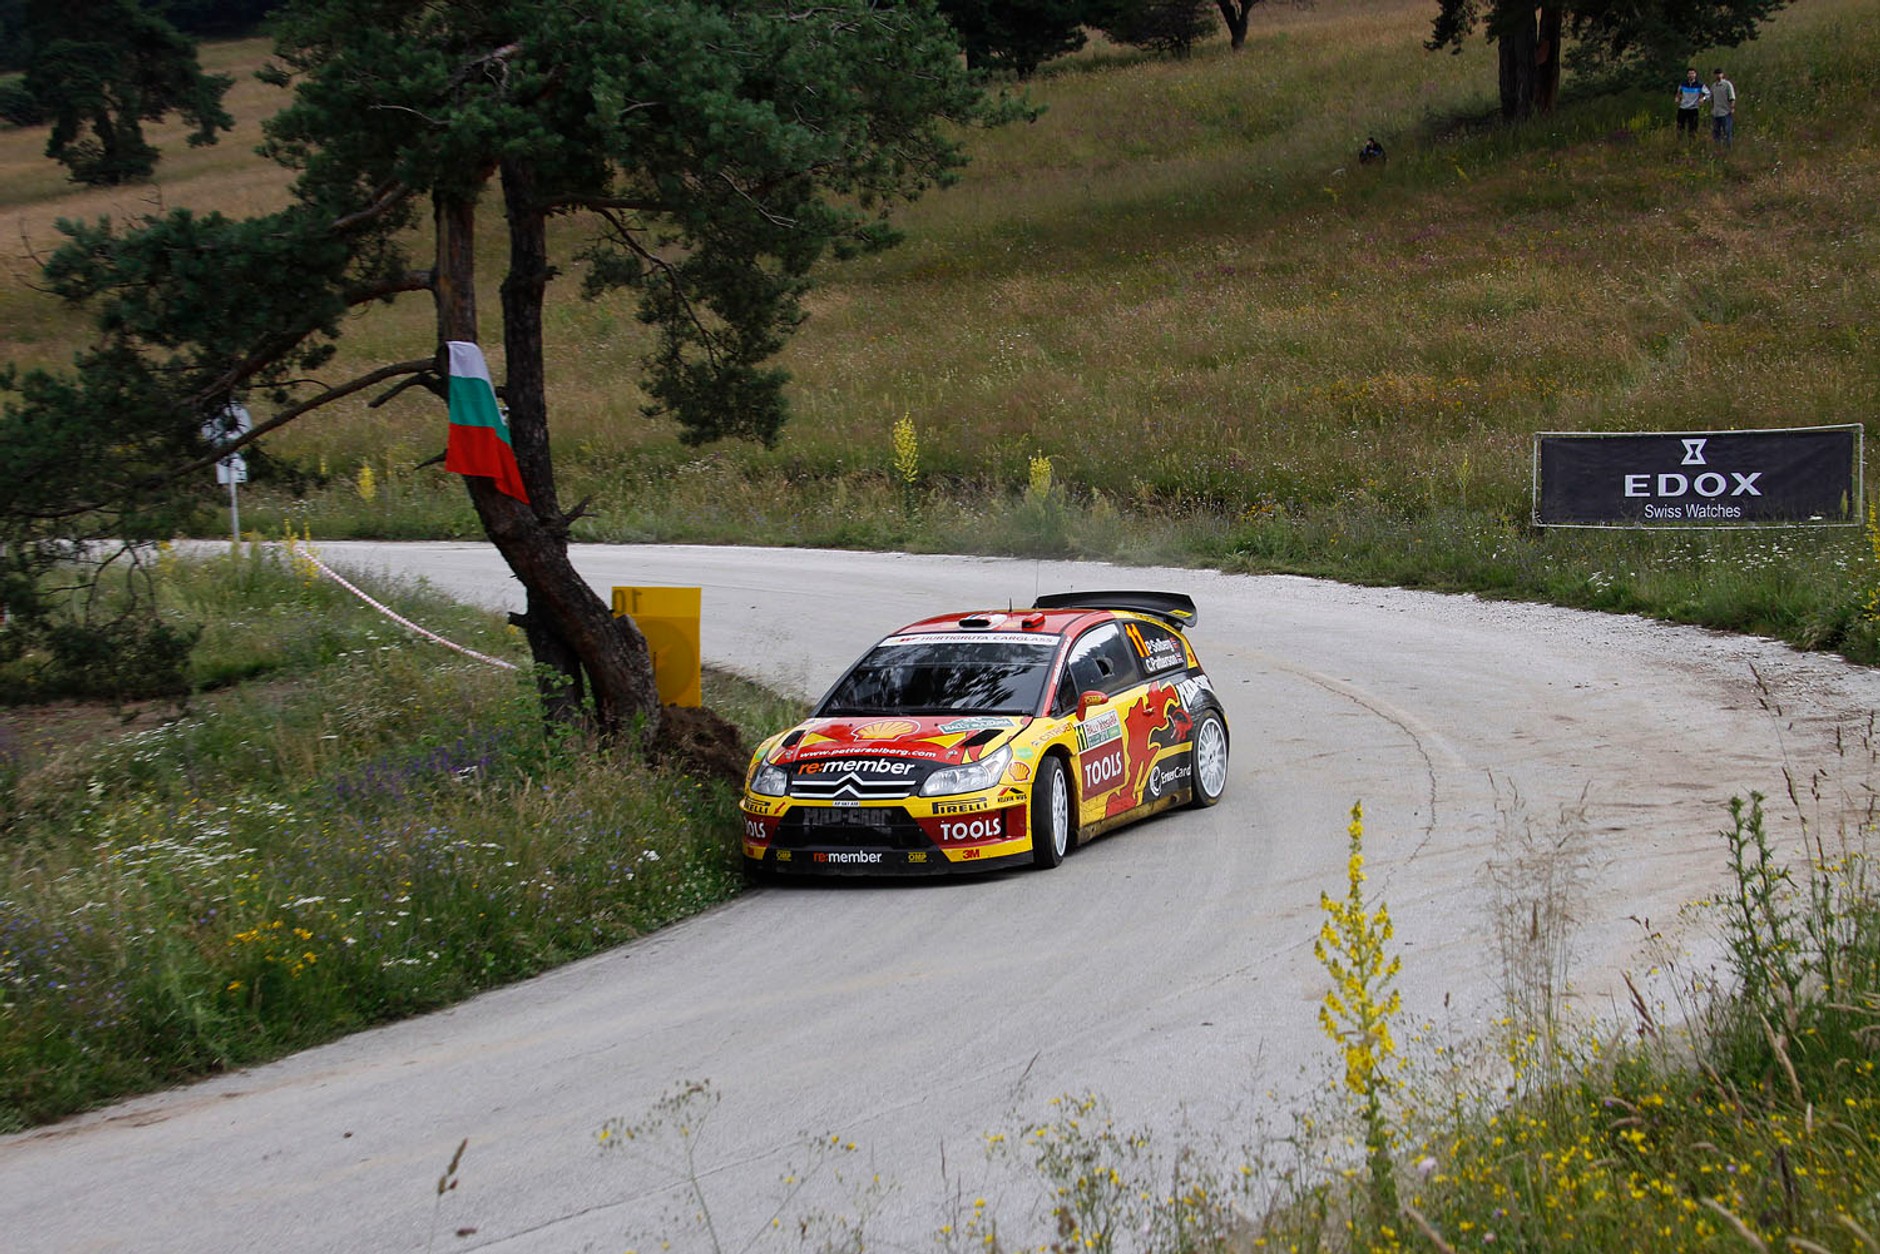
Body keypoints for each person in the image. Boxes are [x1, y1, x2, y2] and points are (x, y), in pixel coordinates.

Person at [1674, 68, 1709, 140]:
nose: (1691, 75)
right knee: (1680, 127)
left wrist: (1703, 99)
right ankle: (1679, 142)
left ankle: (1692, 144)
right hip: (1683, 108)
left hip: (1693, 109)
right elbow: (1678, 93)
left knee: (1693, 129)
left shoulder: (1700, 85)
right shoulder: (1683, 85)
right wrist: (1677, 98)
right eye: (1689, 74)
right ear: (1687, 75)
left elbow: (1708, 94)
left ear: (1695, 75)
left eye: (1692, 73)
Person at [1710, 67, 1737, 147]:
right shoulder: (1713, 86)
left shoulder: (1727, 84)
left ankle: (1728, 148)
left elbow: (1732, 97)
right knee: (1716, 132)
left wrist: (1732, 107)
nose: (1718, 75)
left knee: (1727, 131)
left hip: (1726, 112)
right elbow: (1712, 98)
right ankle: (1717, 148)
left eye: (1719, 74)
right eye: (1716, 74)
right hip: (1716, 113)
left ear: (1722, 74)